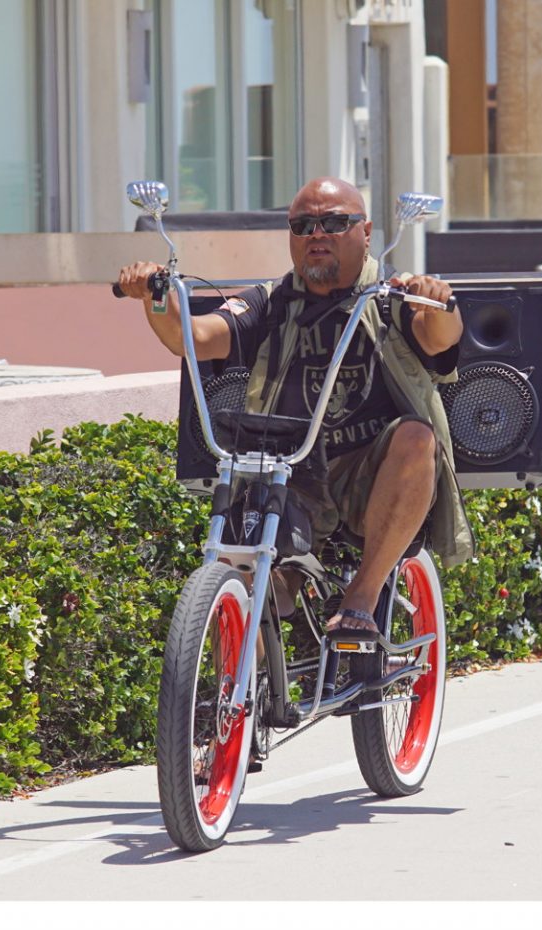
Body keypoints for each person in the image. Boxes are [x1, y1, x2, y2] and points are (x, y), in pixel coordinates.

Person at [117, 177, 475, 638]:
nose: (317, 234)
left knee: (415, 437)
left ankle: (362, 597)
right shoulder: (272, 301)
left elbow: (440, 335)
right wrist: (155, 294)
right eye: (303, 224)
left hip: (369, 478)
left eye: (334, 222)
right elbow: (193, 338)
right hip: (292, 476)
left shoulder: (389, 299)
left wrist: (441, 302)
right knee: (243, 583)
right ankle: (245, 693)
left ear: (366, 232)